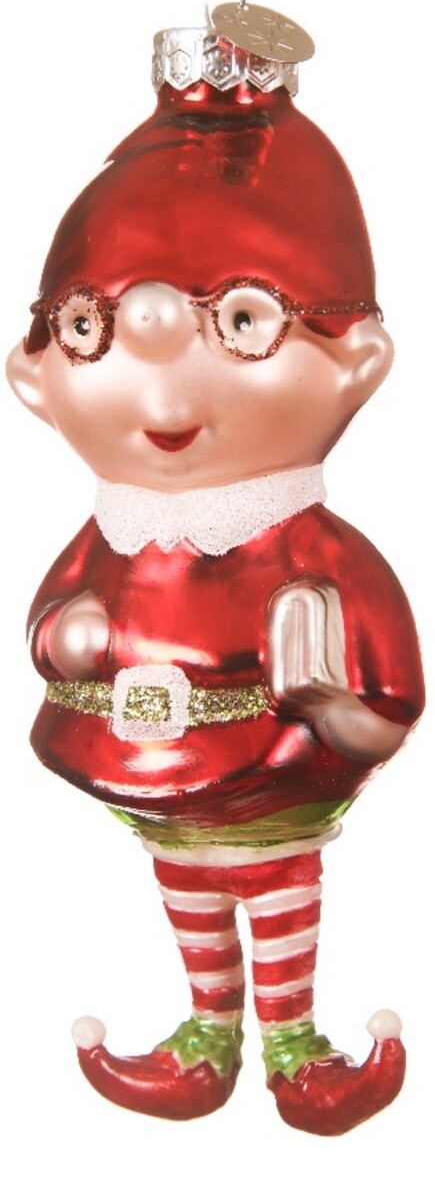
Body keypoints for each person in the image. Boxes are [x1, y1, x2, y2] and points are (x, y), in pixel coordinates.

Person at [6, 60, 424, 1135]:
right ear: (38, 376)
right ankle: (207, 1030)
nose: (162, 393)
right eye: (92, 331)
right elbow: (50, 628)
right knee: (186, 886)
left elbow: (394, 698)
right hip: (144, 773)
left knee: (276, 887)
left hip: (274, 777)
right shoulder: (113, 534)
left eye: (240, 323)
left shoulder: (313, 548)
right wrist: (67, 635)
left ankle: (292, 1036)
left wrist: (335, 709)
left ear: (355, 363)